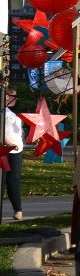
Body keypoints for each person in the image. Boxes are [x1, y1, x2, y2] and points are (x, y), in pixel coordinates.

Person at [3, 89, 24, 220]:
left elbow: (16, 133)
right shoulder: (4, 113)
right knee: (2, 180)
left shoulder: (13, 115)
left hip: (16, 151)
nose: (15, 98)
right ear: (5, 96)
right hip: (3, 151)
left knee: (14, 180)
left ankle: (18, 210)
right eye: (13, 96)